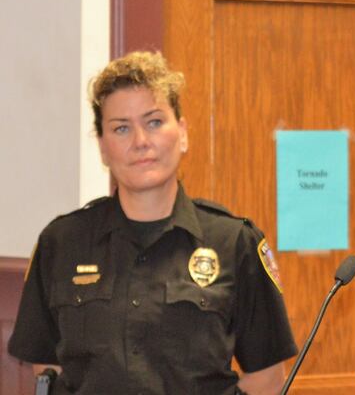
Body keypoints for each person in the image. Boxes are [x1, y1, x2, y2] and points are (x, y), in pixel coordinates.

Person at [8, 51, 297, 394]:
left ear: (184, 132)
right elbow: (48, 371)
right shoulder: (62, 242)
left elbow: (267, 379)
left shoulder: (235, 243)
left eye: (155, 122)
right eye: (121, 128)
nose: (141, 142)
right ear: (103, 147)